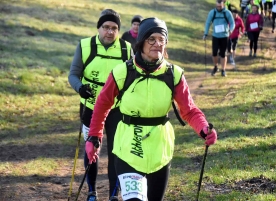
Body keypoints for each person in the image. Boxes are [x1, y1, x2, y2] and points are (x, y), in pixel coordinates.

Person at [85, 17, 218, 201]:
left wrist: (204, 128)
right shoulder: (122, 72)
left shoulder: (174, 74)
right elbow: (102, 104)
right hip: (128, 150)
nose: (157, 44)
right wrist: (94, 135)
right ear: (141, 42)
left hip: (160, 151)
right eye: (151, 39)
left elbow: (189, 110)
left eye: (161, 39)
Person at [68, 8, 133, 201]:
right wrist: (80, 88)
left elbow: (132, 78)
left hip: (116, 108)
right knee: (91, 148)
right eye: (106, 27)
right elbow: (73, 74)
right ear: (99, 28)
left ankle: (115, 192)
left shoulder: (126, 49)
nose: (110, 32)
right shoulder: (85, 46)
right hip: (90, 106)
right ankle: (91, 191)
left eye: (114, 28)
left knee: (116, 150)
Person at [204, 0, 235, 77]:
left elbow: (232, 23)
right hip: (215, 36)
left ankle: (223, 70)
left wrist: (231, 30)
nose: (219, 8)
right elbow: (208, 23)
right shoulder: (212, 13)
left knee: (223, 54)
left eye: (220, 6)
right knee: (214, 53)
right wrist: (205, 33)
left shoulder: (227, 13)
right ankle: (215, 66)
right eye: (217, 6)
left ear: (223, 4)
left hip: (224, 36)